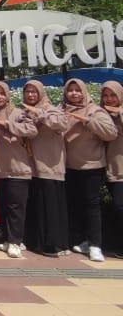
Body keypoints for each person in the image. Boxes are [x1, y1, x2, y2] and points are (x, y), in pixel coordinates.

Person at [62, 78, 117, 262]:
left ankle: (95, 245)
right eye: (70, 90)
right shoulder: (62, 110)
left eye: (78, 90)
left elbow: (110, 133)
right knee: (76, 205)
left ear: (84, 92)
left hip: (91, 166)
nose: (74, 93)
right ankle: (83, 240)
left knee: (91, 206)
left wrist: (88, 121)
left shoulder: (95, 110)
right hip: (69, 166)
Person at [0, 81, 37, 259]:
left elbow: (32, 130)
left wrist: (7, 124)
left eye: (2, 93)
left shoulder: (18, 113)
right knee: (4, 206)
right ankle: (8, 238)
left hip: (18, 168)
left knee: (16, 207)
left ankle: (16, 241)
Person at [21, 80, 69, 257]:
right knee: (38, 206)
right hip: (33, 167)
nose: (30, 95)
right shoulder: (24, 111)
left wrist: (39, 113)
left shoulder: (51, 109)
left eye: (34, 92)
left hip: (50, 167)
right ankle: (38, 242)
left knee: (51, 207)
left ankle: (53, 244)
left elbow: (62, 124)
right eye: (28, 92)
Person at [101, 80, 123, 259]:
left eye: (113, 95)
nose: (109, 99)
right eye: (106, 96)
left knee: (119, 206)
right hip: (112, 169)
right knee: (117, 207)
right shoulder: (101, 115)